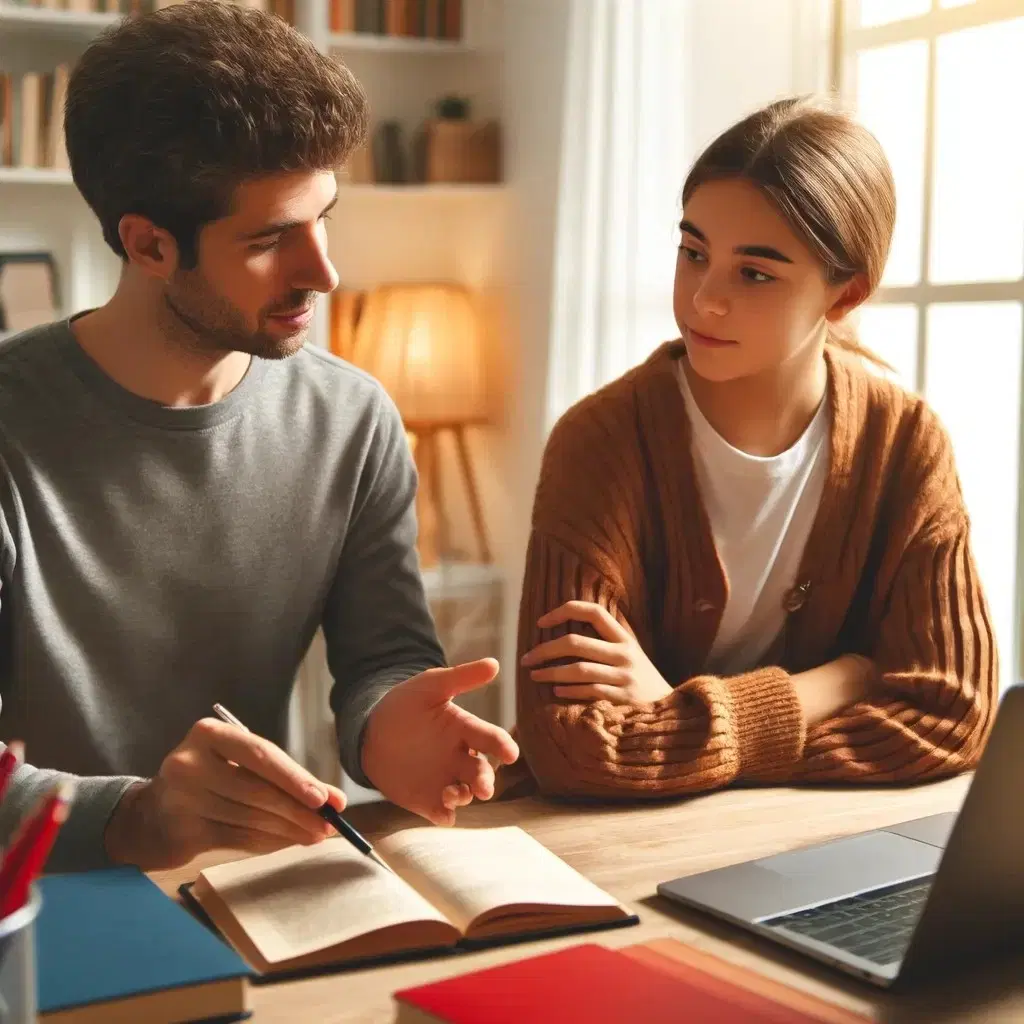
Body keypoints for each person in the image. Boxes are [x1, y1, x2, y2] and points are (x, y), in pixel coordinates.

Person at [0, 0, 517, 873]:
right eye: (273, 238)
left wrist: (393, 732)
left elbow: (383, 662)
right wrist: (140, 817)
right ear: (149, 245)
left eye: (326, 217)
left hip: (273, 887)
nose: (324, 270)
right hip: (52, 905)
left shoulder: (354, 421)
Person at [512, 96, 997, 798]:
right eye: (694, 252)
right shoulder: (601, 442)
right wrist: (843, 681)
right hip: (629, 851)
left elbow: (951, 717)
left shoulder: (905, 443)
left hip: (817, 846)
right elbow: (576, 747)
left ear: (846, 295)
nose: (705, 298)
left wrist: (681, 717)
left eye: (755, 272)